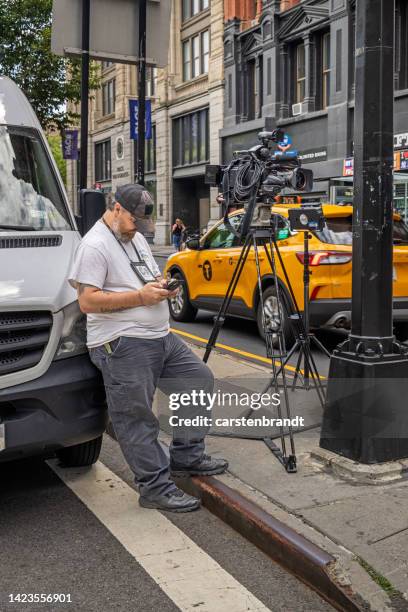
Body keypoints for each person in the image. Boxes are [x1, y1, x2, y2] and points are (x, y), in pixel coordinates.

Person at [68, 184, 228, 513]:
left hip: (159, 335)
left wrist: (159, 286)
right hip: (122, 341)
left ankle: (187, 456)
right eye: (132, 222)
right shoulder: (94, 245)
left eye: (142, 224)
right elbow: (87, 301)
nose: (137, 230)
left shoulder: (135, 237)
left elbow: (143, 277)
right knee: (137, 416)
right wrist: (142, 297)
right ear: (115, 209)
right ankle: (154, 486)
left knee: (198, 380)